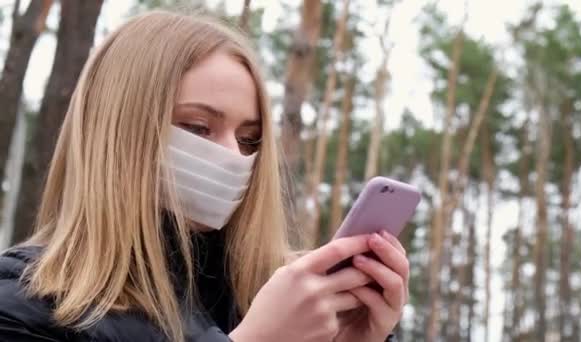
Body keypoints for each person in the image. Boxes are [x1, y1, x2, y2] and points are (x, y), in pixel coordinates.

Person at [0, 11, 410, 342]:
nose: (233, 155)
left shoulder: (270, 301)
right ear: (117, 131)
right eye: (198, 127)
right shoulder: (23, 304)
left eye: (250, 139)